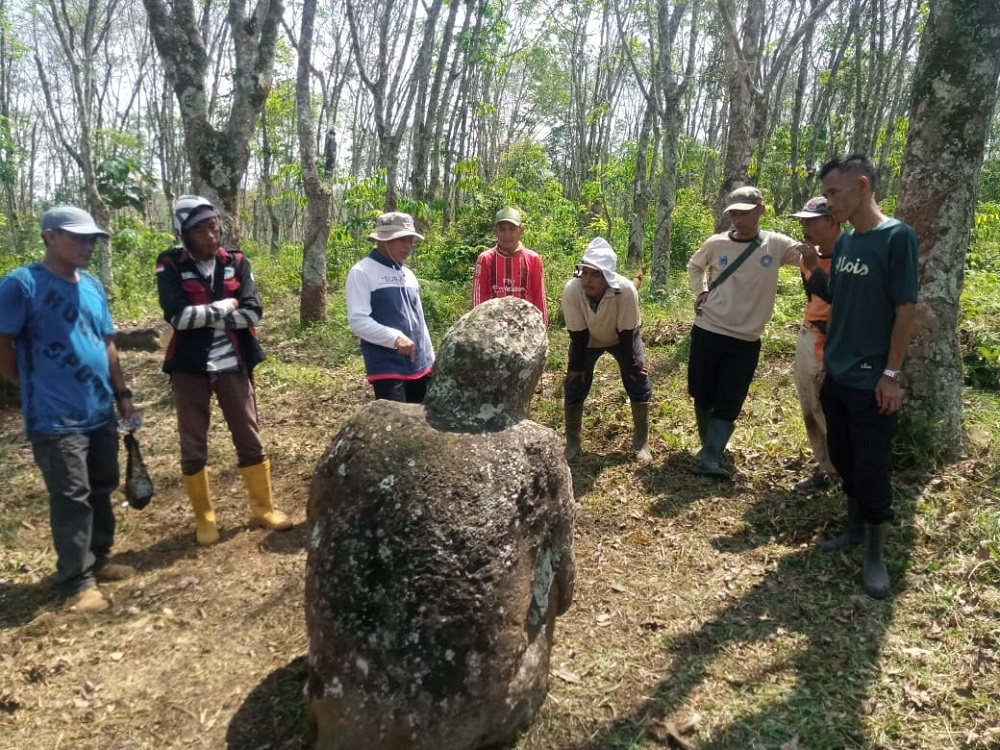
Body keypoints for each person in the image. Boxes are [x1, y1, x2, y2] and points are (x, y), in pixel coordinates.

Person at [0, 206, 136, 613]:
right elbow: (1, 344)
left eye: (91, 238)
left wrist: (122, 392)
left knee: (102, 485)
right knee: (71, 494)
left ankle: (100, 555)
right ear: (51, 236)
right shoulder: (21, 285)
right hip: (55, 417)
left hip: (99, 409)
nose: (87, 245)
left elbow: (106, 343)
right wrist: (29, 386)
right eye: (78, 237)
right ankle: (77, 580)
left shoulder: (92, 285)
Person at [801, 154, 918, 599]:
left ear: (862, 185)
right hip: (838, 371)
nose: (829, 203)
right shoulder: (846, 243)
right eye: (827, 194)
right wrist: (812, 269)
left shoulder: (896, 238)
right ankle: (852, 527)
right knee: (845, 456)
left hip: (872, 377)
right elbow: (838, 297)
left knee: (872, 465)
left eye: (833, 192)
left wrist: (891, 373)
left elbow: (905, 309)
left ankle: (875, 554)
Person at [156, 195, 291, 546]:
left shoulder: (237, 261)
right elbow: (178, 318)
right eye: (200, 229)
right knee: (193, 442)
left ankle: (263, 508)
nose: (210, 235)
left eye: (213, 226)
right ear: (184, 233)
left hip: (234, 363)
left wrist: (206, 314)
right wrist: (225, 305)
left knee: (248, 435)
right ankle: (205, 517)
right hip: (189, 368)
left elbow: (253, 313)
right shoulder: (169, 265)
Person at [687, 186, 806, 479]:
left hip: (746, 338)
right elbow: (694, 265)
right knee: (701, 392)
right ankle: (709, 446)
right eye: (733, 214)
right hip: (709, 328)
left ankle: (710, 458)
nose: (737, 219)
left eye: (744, 213)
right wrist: (700, 292)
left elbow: (809, 256)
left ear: (761, 210)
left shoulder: (775, 244)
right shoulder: (716, 244)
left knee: (730, 397)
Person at [562, 238, 652, 463]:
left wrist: (632, 364)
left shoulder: (626, 291)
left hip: (622, 336)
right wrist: (576, 365)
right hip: (587, 339)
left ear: (607, 277)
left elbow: (626, 333)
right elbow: (578, 335)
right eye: (585, 273)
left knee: (638, 379)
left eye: (595, 275)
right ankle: (572, 441)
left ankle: (641, 441)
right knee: (574, 381)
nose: (588, 280)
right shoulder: (572, 290)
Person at [346, 212, 434, 403]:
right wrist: (394, 338)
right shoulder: (362, 271)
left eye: (410, 240)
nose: (407, 246)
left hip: (419, 367)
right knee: (396, 429)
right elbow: (358, 322)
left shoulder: (408, 275)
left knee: (420, 427)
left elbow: (420, 320)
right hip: (387, 368)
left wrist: (430, 358)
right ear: (383, 240)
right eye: (401, 240)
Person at [790, 196, 842, 493]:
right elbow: (814, 297)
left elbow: (839, 298)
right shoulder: (807, 258)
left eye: (812, 221)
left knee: (829, 407)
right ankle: (824, 466)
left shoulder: (850, 256)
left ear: (832, 221)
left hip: (833, 341)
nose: (805, 227)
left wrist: (815, 266)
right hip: (809, 335)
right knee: (809, 404)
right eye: (803, 221)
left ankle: (842, 470)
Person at [471, 207, 547, 324]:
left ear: (521, 230)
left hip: (524, 325)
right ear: (495, 231)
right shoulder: (485, 259)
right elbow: (478, 298)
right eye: (502, 230)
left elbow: (539, 297)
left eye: (512, 229)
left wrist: (542, 327)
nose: (507, 234)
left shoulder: (533, 259)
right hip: (493, 326)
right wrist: (478, 325)